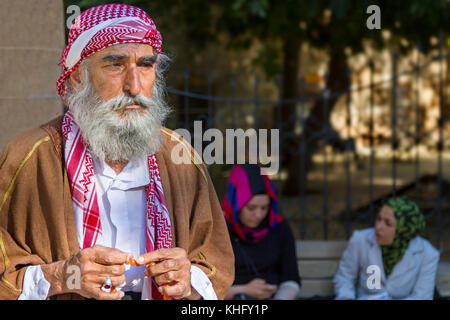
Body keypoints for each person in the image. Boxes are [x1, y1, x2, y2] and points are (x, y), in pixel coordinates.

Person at [0, 4, 234, 300]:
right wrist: (63, 276)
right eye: (115, 65)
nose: (134, 86)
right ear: (78, 77)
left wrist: (188, 282)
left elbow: (216, 264)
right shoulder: (30, 156)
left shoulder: (180, 157)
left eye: (145, 66)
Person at [333, 197, 440, 300]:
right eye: (378, 219)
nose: (378, 227)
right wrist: (345, 296)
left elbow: (422, 297)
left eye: (388, 223)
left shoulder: (428, 253)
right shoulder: (360, 240)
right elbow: (345, 277)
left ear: (403, 229)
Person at [222, 164, 301, 300]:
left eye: (264, 207)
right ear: (236, 204)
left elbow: (291, 279)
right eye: (251, 208)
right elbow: (205, 288)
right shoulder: (221, 230)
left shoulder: (279, 227)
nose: (258, 215)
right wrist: (243, 290)